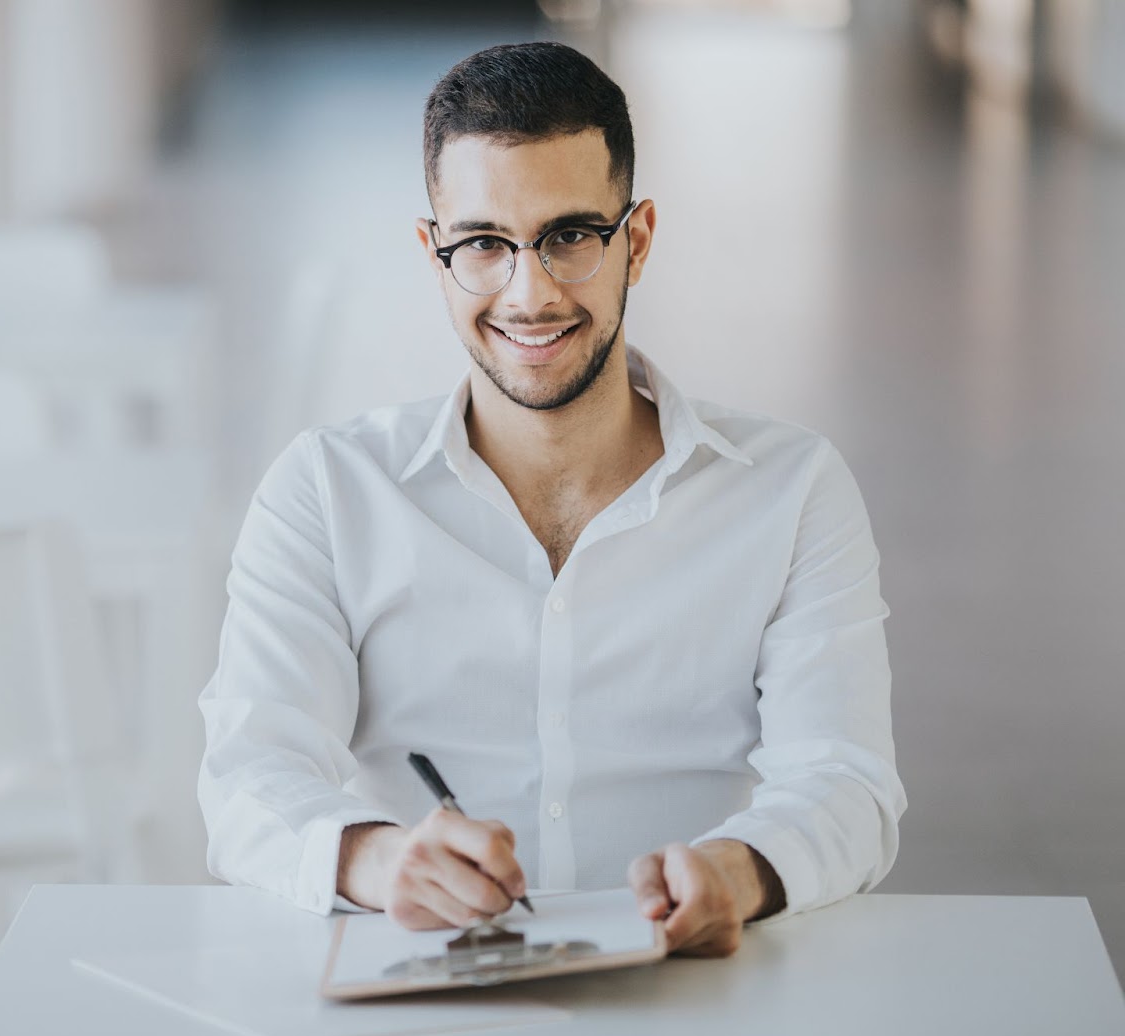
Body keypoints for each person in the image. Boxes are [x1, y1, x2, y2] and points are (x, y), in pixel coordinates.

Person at [198, 41, 905, 957]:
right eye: (486, 244)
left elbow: (845, 781)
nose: (529, 293)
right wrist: (381, 862)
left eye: (570, 236)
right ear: (434, 253)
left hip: (695, 990)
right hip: (423, 995)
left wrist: (737, 871)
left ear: (636, 241)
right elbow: (250, 772)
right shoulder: (327, 490)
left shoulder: (793, 488)